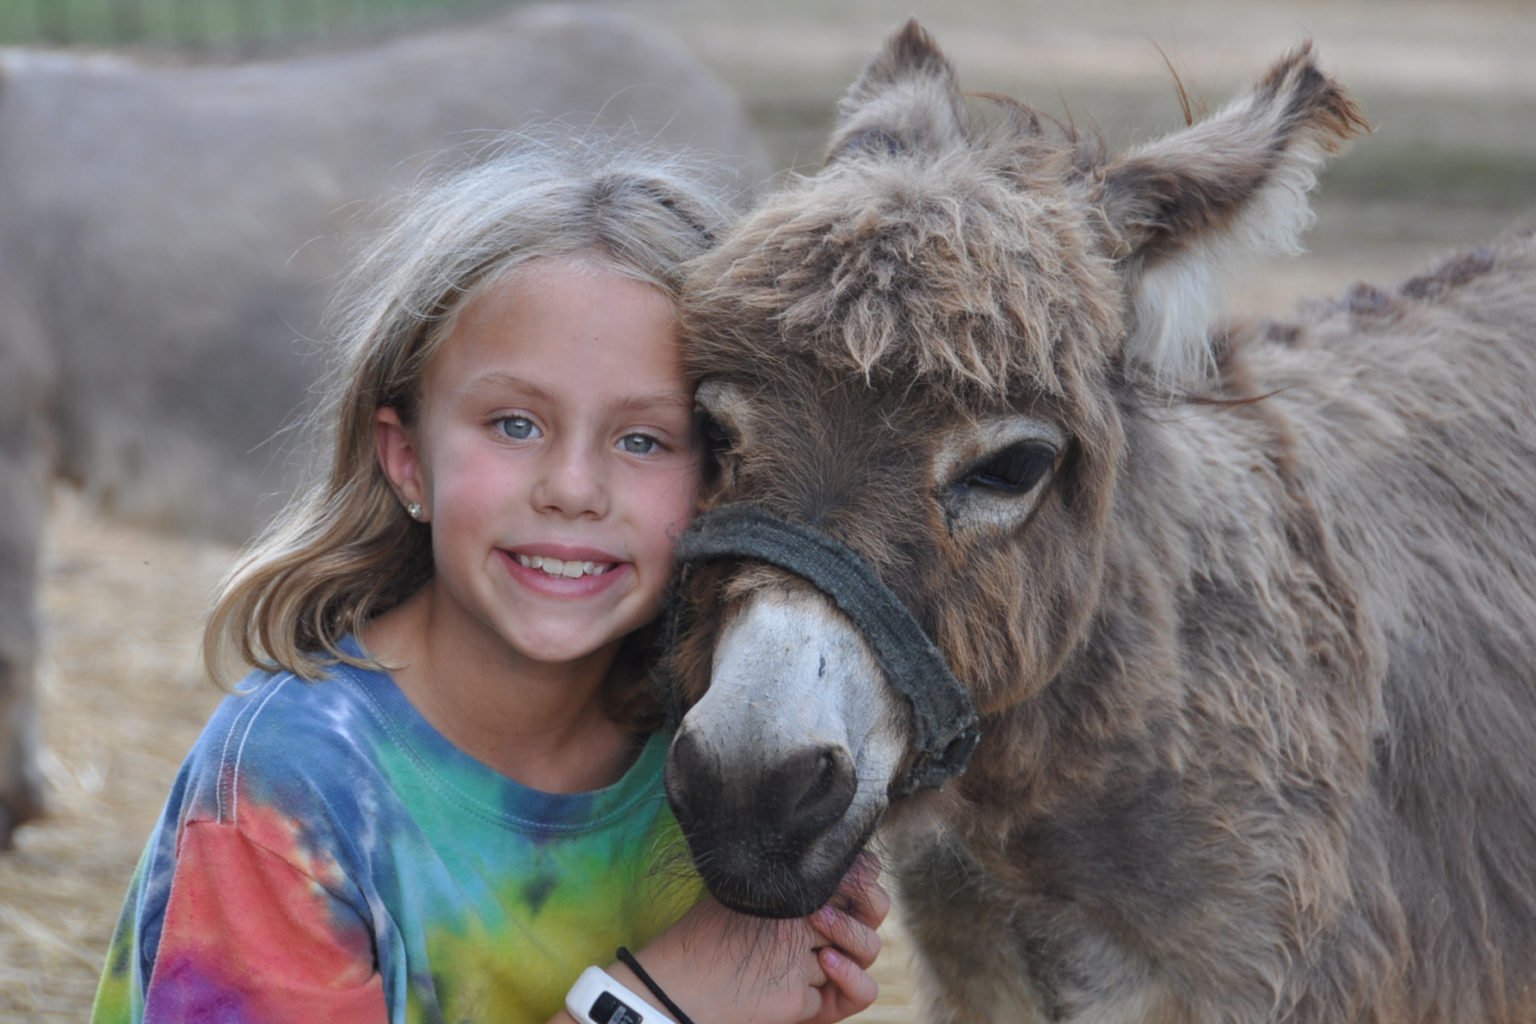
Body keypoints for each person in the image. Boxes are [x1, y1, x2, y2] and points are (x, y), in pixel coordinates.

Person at [90, 134, 888, 1024]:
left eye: (643, 440)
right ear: (406, 459)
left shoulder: (717, 769)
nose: (573, 489)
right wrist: (647, 1009)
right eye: (514, 425)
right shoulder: (290, 790)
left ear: (722, 481)